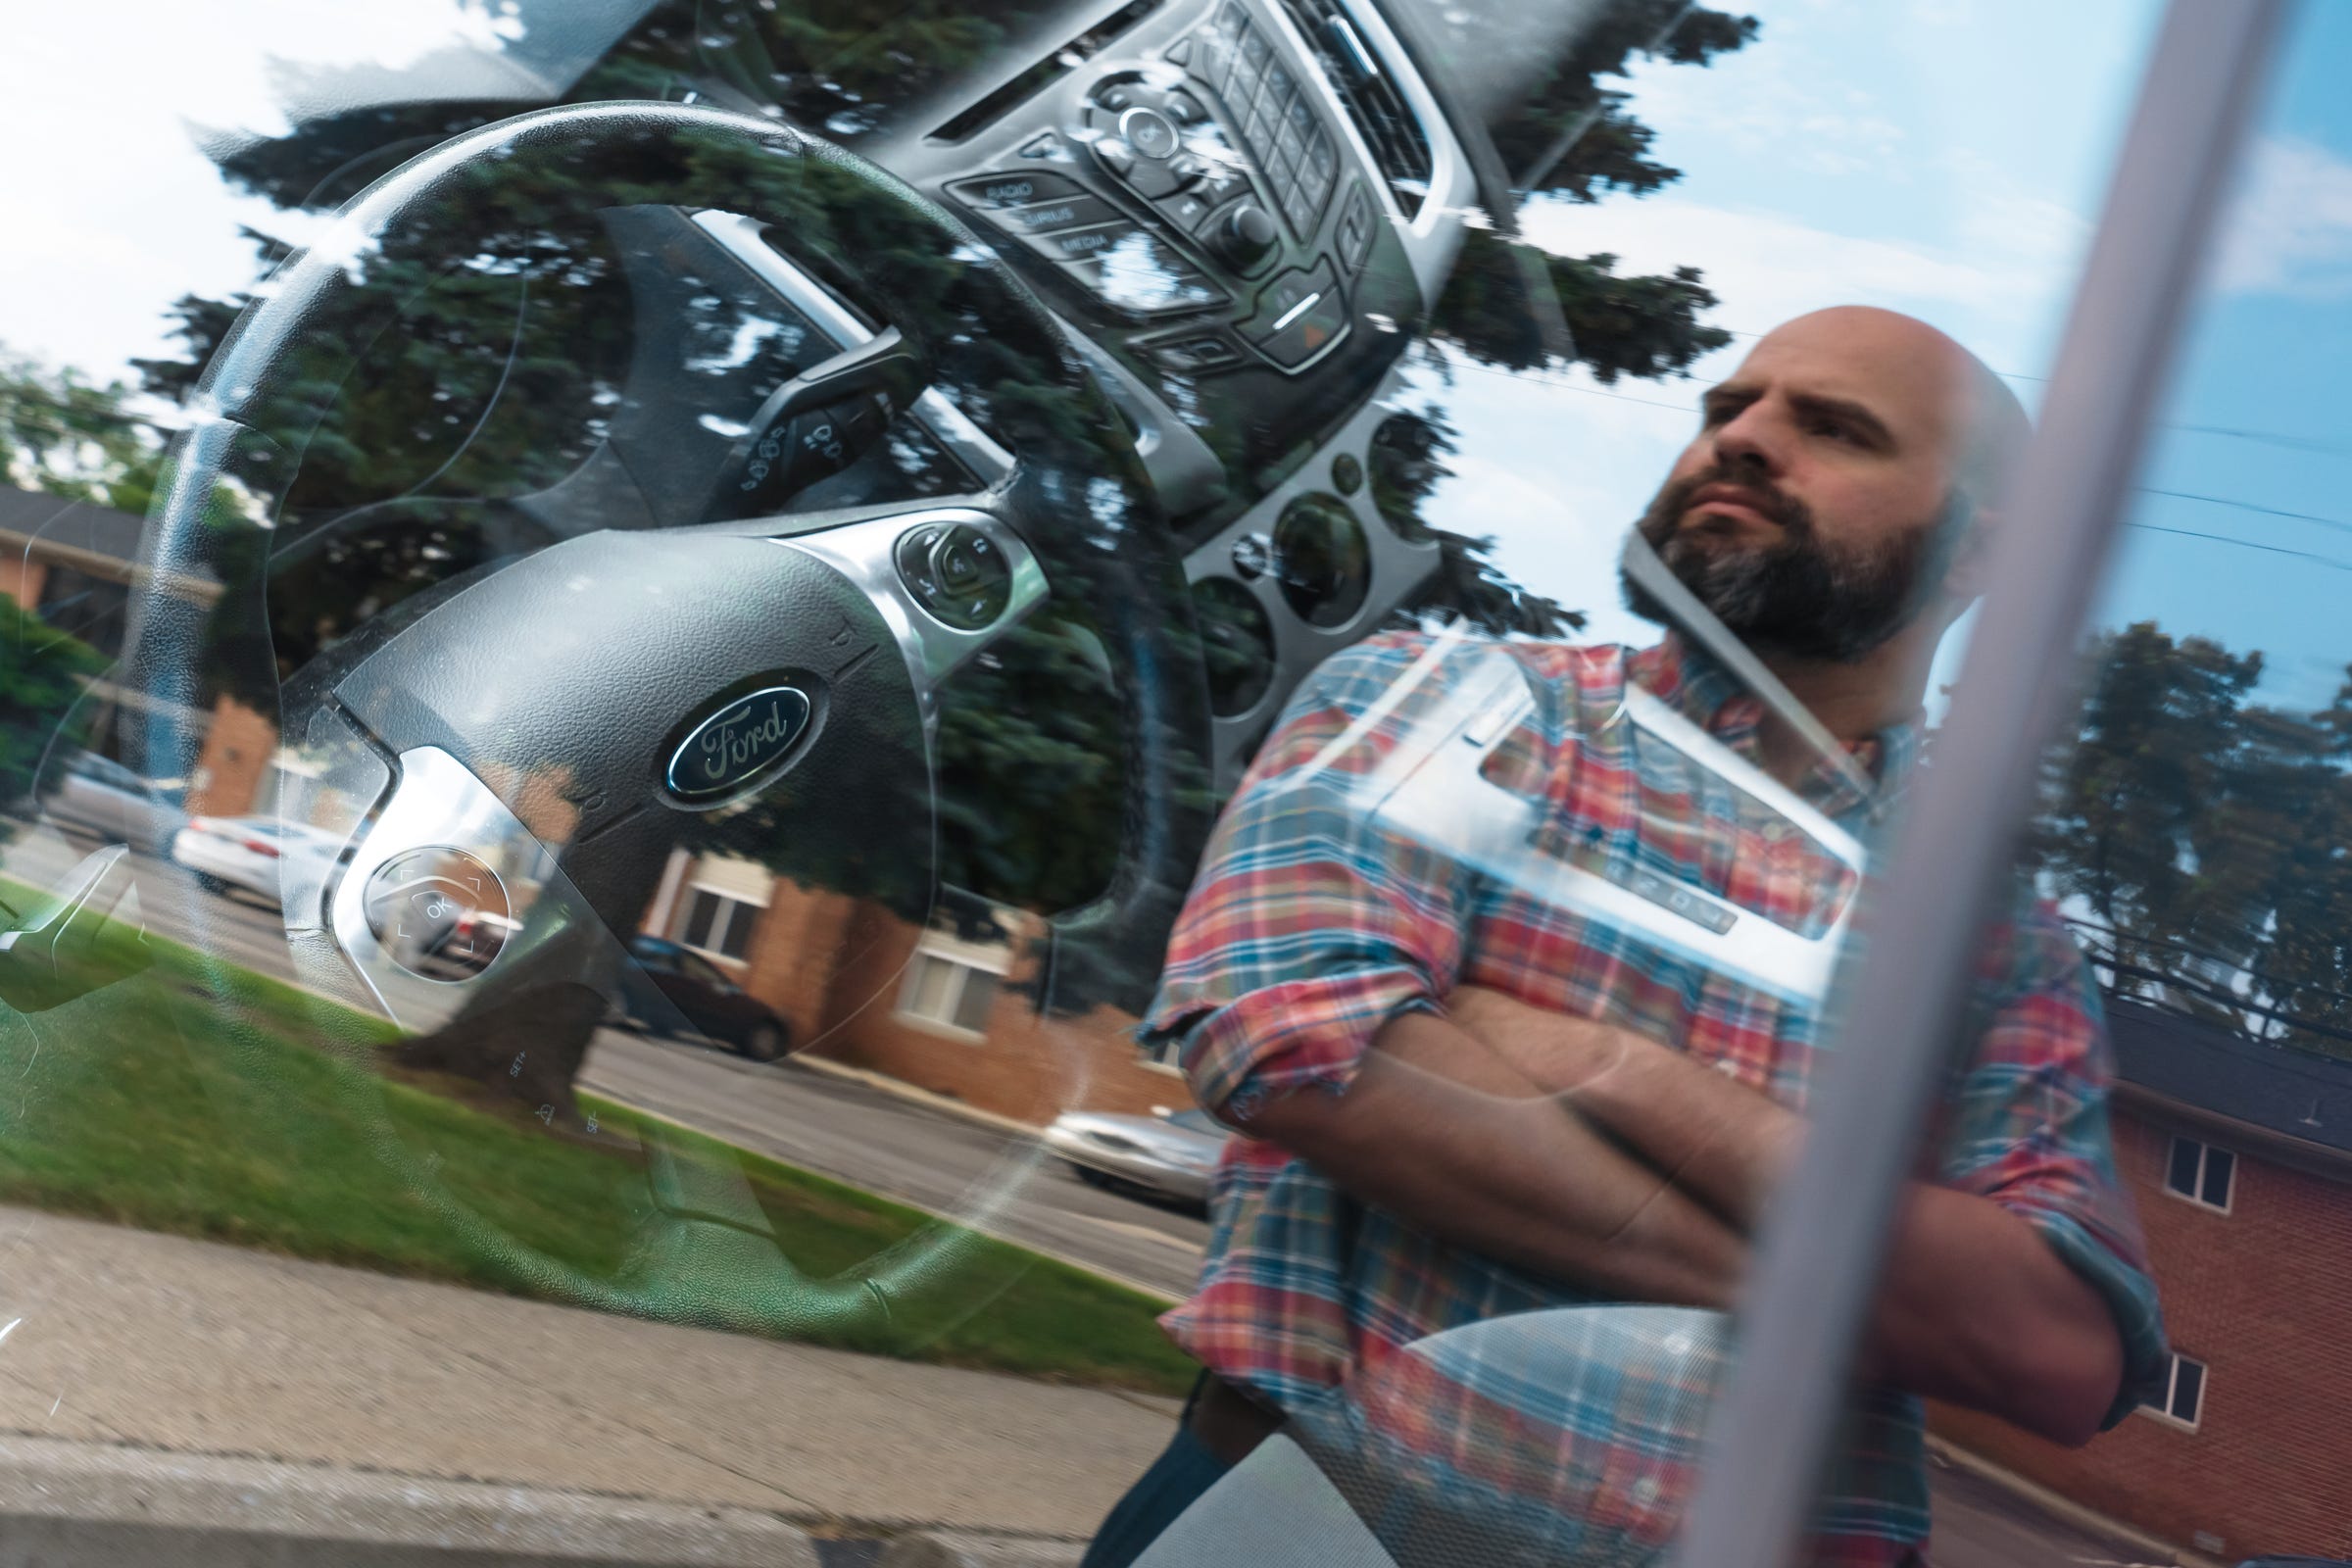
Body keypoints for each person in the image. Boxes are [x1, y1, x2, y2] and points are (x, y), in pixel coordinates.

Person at [1082, 307, 2168, 1567]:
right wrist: (1843, 1288)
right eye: (1727, 408)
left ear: (1976, 553)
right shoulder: (1459, 705)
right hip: (1315, 1525)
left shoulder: (1999, 942)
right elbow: (1295, 1049)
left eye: (1833, 428)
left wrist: (1609, 1067)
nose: (1745, 439)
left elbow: (2058, 1354)